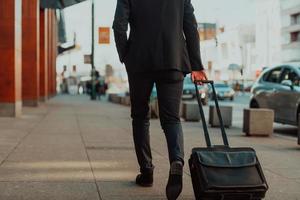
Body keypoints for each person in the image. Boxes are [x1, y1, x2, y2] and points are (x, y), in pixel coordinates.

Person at [113, 0, 207, 199]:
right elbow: (190, 25)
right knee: (171, 118)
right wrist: (197, 65)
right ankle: (176, 160)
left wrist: (126, 55)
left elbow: (119, 24)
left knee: (140, 117)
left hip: (139, 61)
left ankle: (146, 172)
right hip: (173, 58)